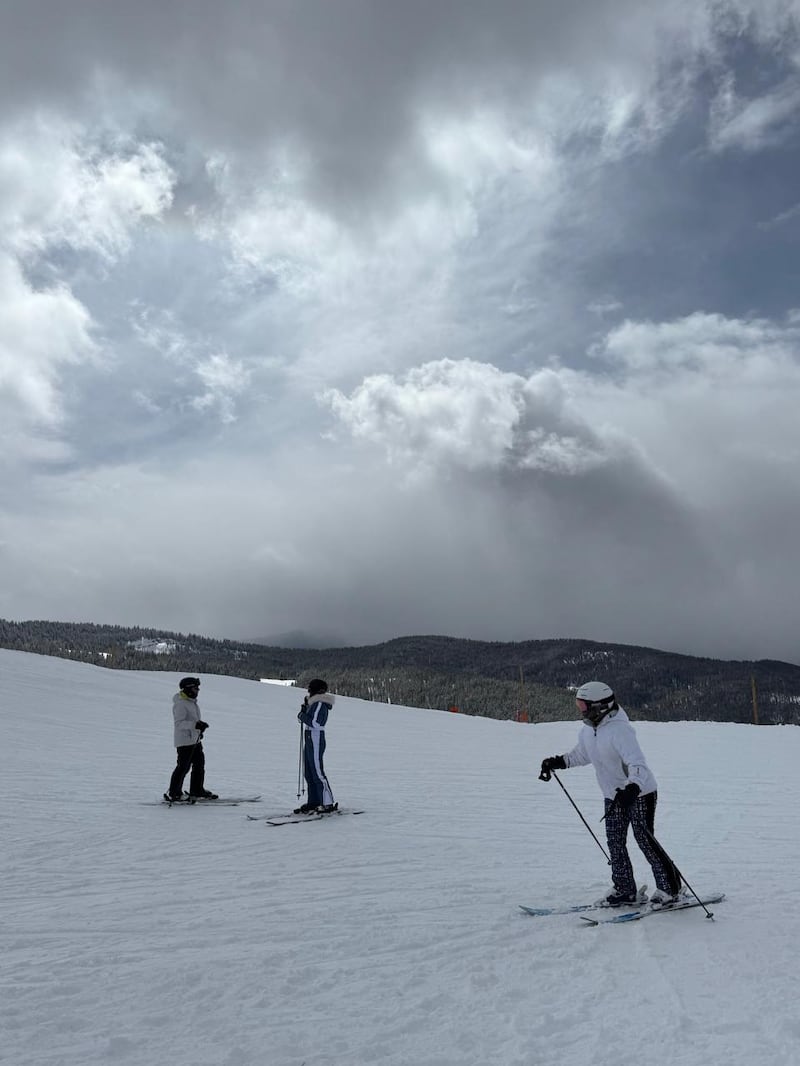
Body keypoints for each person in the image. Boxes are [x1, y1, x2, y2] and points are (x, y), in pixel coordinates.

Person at [539, 680, 682, 907]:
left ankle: (670, 889)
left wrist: (633, 787)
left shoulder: (620, 730)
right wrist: (558, 762)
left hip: (640, 793)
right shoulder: (589, 730)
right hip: (613, 795)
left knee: (645, 840)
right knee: (615, 842)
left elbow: (638, 765)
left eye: (583, 706)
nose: (581, 710)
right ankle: (625, 890)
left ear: (599, 706)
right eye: (579, 705)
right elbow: (582, 755)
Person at [164, 677, 218, 801]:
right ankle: (175, 793)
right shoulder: (181, 704)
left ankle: (197, 790)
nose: (197, 690)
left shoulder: (191, 702)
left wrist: (199, 729)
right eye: (195, 688)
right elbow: (179, 724)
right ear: (188, 689)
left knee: (199, 765)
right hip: (184, 742)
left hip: (194, 741)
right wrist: (195, 725)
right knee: (183, 767)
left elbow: (192, 721)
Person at [294, 678, 336, 814]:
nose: (308, 690)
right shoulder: (315, 703)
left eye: (310, 688)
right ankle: (314, 801)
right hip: (310, 736)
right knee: (309, 772)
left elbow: (316, 723)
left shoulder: (319, 703)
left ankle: (327, 803)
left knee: (317, 771)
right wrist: (306, 709)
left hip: (316, 736)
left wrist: (302, 715)